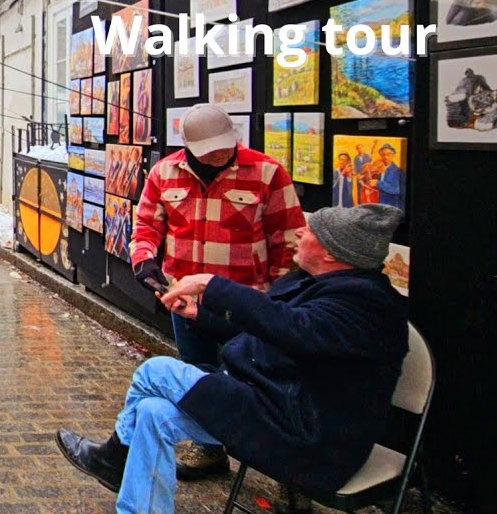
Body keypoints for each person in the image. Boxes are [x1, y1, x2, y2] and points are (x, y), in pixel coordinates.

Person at [56, 204, 408, 514]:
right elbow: (269, 331)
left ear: (333, 252)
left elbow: (293, 329)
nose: (300, 231)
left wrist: (211, 285)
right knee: (152, 413)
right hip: (267, 405)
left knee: (156, 371)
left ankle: (110, 459)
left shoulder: (369, 306)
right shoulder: (314, 284)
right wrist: (200, 314)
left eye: (312, 231)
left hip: (306, 437)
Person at [130, 104, 305, 480]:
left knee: (255, 379)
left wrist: (278, 302)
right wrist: (144, 259)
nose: (220, 154)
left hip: (247, 302)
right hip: (184, 299)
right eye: (210, 149)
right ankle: (211, 451)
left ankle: (279, 466)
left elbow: (288, 239)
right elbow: (146, 224)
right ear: (189, 146)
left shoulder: (267, 172)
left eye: (226, 145)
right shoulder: (164, 173)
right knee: (196, 373)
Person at [374, 143, 405, 209]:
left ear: (393, 155)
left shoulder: (398, 171)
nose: (385, 157)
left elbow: (397, 189)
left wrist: (378, 183)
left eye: (388, 154)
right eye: (383, 155)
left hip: (392, 205)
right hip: (381, 205)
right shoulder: (379, 170)